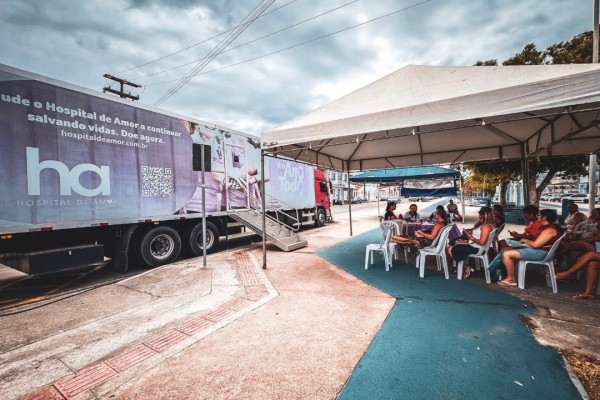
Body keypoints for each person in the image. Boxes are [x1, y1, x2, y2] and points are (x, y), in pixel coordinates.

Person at [496, 209, 563, 287]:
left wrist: (525, 240)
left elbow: (536, 245)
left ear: (544, 218)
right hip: (540, 251)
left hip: (542, 253)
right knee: (506, 249)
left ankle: (511, 279)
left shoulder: (549, 230)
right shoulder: (546, 227)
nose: (537, 216)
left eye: (539, 215)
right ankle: (499, 271)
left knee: (507, 254)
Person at [447, 208, 495, 279]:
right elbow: (480, 236)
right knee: (454, 245)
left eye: (480, 216)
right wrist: (470, 235)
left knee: (451, 249)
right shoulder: (488, 225)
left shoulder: (486, 227)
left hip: (477, 249)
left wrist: (470, 237)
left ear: (486, 217)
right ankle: (464, 267)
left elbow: (482, 242)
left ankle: (465, 267)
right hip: (475, 246)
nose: (479, 217)